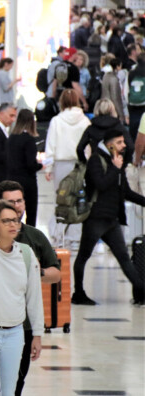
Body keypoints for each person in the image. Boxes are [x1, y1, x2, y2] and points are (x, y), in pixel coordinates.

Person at [0, 180, 61, 396]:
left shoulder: (27, 252)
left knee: (12, 388)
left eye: (15, 220)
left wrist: (37, 334)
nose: (13, 224)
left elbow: (34, 298)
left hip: (17, 331)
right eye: (7, 220)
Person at [73, 129, 145, 306]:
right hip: (96, 218)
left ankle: (142, 292)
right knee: (83, 255)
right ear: (109, 144)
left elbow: (125, 192)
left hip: (111, 220)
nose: (124, 145)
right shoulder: (96, 160)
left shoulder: (117, 162)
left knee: (124, 258)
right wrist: (115, 168)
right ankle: (79, 293)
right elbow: (101, 184)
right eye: (120, 142)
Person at [44, 89, 90, 246]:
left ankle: (58, 237)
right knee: (79, 201)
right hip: (80, 165)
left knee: (62, 200)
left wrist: (48, 167)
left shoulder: (56, 121)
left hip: (61, 165)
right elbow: (89, 147)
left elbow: (51, 144)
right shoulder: (85, 121)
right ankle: (75, 238)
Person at [6, 109, 42, 226]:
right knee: (31, 213)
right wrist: (40, 165)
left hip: (12, 179)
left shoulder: (11, 138)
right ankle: (28, 239)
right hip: (27, 181)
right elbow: (30, 165)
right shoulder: (29, 140)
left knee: (14, 213)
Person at [79, 99, 133, 165]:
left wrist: (85, 163)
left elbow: (79, 148)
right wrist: (125, 162)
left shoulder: (91, 128)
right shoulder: (119, 127)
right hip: (116, 164)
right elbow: (130, 147)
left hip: (97, 164)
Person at [101, 58, 126, 123]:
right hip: (112, 109)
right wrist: (121, 114)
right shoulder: (114, 79)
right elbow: (115, 97)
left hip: (104, 106)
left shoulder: (105, 76)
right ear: (117, 66)